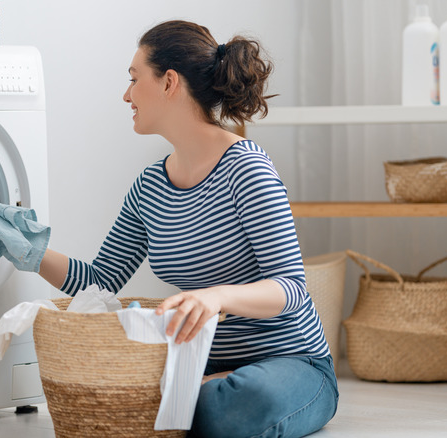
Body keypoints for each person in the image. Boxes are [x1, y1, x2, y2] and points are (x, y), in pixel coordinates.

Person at [37, 20, 338, 438]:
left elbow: (290, 288)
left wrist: (216, 297)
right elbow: (101, 282)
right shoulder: (148, 187)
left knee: (229, 408)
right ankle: (192, 397)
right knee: (144, 402)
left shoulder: (246, 169)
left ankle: (196, 399)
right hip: (200, 364)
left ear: (169, 82)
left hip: (289, 362)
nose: (126, 95)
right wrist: (26, 250)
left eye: (134, 79)